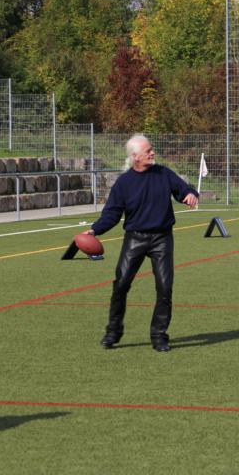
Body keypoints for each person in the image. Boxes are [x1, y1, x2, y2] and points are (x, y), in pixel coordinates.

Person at [84, 134, 199, 352]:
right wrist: (95, 229)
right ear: (135, 156)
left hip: (162, 239)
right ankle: (113, 331)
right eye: (148, 151)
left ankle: (159, 336)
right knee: (121, 284)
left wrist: (191, 195)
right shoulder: (124, 183)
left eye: (151, 149)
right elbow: (112, 214)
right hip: (135, 238)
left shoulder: (163, 174)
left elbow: (183, 190)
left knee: (165, 288)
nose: (153, 153)